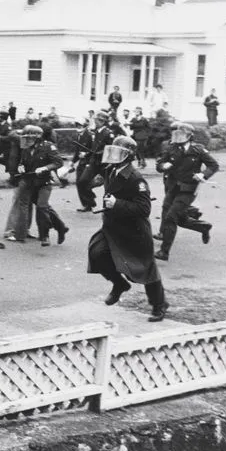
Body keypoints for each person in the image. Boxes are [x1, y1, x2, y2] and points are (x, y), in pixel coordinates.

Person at [89, 136, 169, 322]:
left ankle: (159, 305)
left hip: (134, 231)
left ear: (128, 156)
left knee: (145, 270)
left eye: (118, 152)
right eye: (113, 150)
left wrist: (117, 203)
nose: (112, 155)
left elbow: (144, 209)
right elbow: (96, 171)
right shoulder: (111, 170)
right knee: (97, 253)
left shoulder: (136, 178)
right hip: (112, 226)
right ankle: (119, 285)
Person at [153, 122, 217, 261]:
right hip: (173, 187)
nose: (177, 137)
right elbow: (159, 165)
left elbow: (213, 165)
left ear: (189, 136)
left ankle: (164, 252)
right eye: (176, 134)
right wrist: (164, 166)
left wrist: (203, 175)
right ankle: (203, 227)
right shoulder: (171, 148)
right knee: (178, 219)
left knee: (171, 217)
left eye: (181, 134)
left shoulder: (198, 149)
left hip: (188, 190)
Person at [3, 125, 66, 246]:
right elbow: (23, 161)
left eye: (28, 137)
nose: (25, 140)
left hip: (43, 182)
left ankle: (45, 235)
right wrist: (21, 166)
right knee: (24, 205)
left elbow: (58, 162)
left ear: (36, 137)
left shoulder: (48, 146)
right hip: (28, 181)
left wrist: (45, 168)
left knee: (42, 207)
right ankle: (20, 234)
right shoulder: (26, 148)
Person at [76, 110, 119, 212]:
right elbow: (93, 148)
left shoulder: (108, 134)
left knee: (108, 187)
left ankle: (107, 207)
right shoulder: (96, 132)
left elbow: (110, 149)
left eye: (97, 120)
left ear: (102, 121)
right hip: (93, 162)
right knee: (82, 181)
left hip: (104, 164)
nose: (95, 122)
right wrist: (87, 154)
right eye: (95, 120)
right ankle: (89, 202)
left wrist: (100, 153)